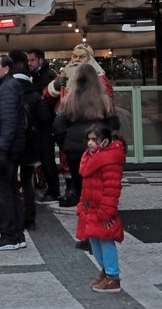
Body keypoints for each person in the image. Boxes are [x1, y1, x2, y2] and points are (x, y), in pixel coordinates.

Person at [53, 63, 120, 209]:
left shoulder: (68, 101)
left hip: (74, 148)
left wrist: (65, 144)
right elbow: (114, 125)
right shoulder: (104, 100)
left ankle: (84, 212)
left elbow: (58, 126)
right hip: (98, 148)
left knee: (79, 183)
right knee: (97, 183)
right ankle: (95, 211)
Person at [0, 54, 29, 251]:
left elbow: (9, 122)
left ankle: (10, 236)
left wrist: (1, 148)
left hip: (7, 149)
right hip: (9, 148)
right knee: (10, 191)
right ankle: (17, 236)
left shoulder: (8, 87)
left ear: (6, 68)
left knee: (5, 193)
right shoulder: (6, 86)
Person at [76, 124, 126, 293]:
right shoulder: (92, 157)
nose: (90, 143)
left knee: (105, 241)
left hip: (102, 210)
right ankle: (106, 272)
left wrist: (106, 213)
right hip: (92, 208)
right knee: (94, 240)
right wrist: (82, 205)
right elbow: (86, 187)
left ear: (104, 141)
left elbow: (112, 189)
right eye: (88, 139)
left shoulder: (109, 159)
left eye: (94, 139)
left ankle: (113, 276)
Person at [8, 50, 43, 231]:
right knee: (28, 182)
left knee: (12, 182)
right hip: (31, 144)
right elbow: (45, 119)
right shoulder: (35, 96)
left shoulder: (10, 95)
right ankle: (30, 218)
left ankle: (15, 217)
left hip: (14, 144)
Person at [28, 48, 60, 203]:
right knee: (43, 157)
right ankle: (49, 186)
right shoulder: (38, 75)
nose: (29, 63)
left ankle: (54, 190)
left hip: (47, 123)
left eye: (32, 60)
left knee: (47, 157)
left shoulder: (48, 76)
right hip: (42, 122)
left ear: (40, 60)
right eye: (28, 60)